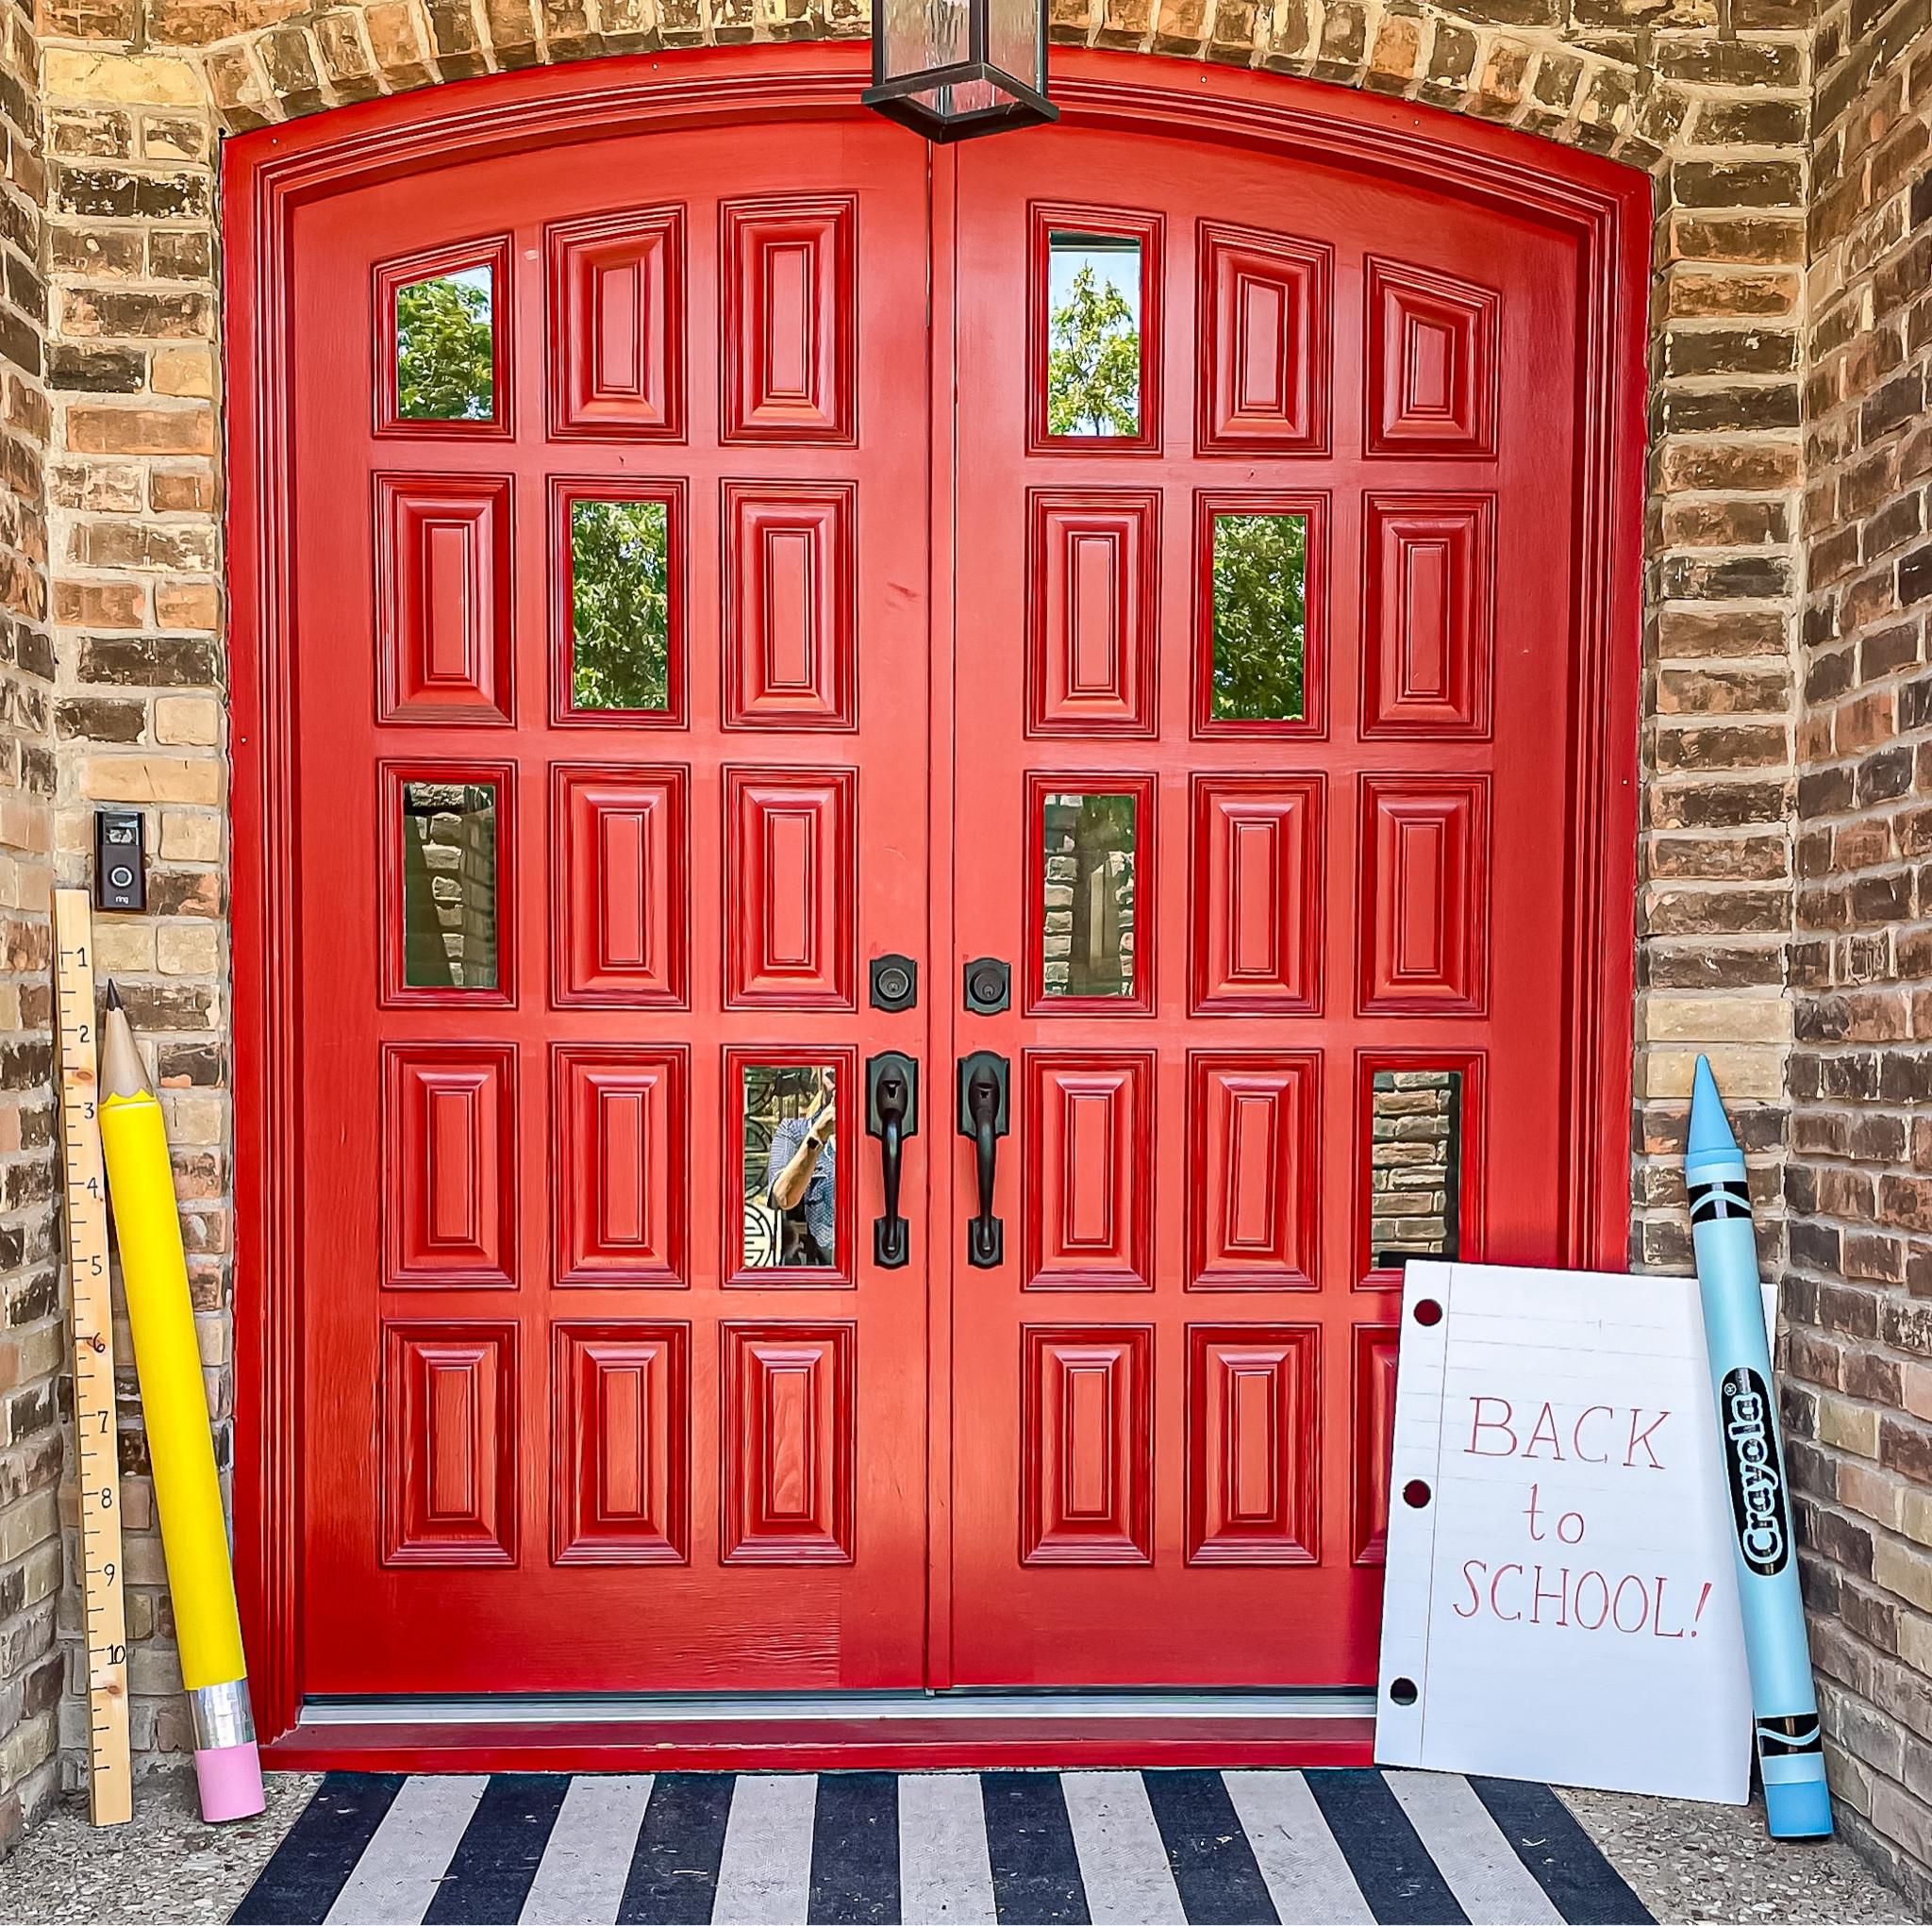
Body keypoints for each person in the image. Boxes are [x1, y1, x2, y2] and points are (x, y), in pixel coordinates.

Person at [764, 1067, 837, 1267]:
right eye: (832, 1076)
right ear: (818, 1077)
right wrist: (817, 1137)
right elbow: (782, 1197)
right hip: (808, 1272)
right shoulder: (793, 1132)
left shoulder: (870, 1140)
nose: (841, 1086)